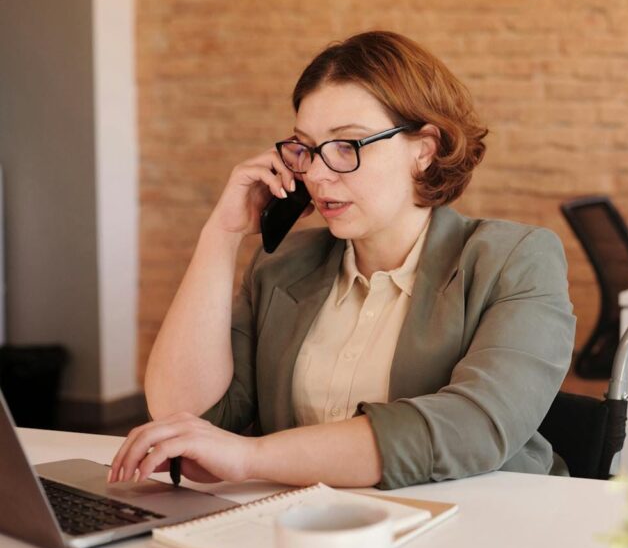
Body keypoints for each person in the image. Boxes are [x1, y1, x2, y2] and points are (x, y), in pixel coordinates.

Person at [108, 31, 576, 490]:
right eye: (306, 148)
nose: (315, 171)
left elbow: (474, 425)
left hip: (482, 532)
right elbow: (184, 416)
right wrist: (222, 234)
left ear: (424, 149)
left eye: (346, 145)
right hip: (315, 534)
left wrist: (251, 457)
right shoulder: (284, 265)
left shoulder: (516, 259)